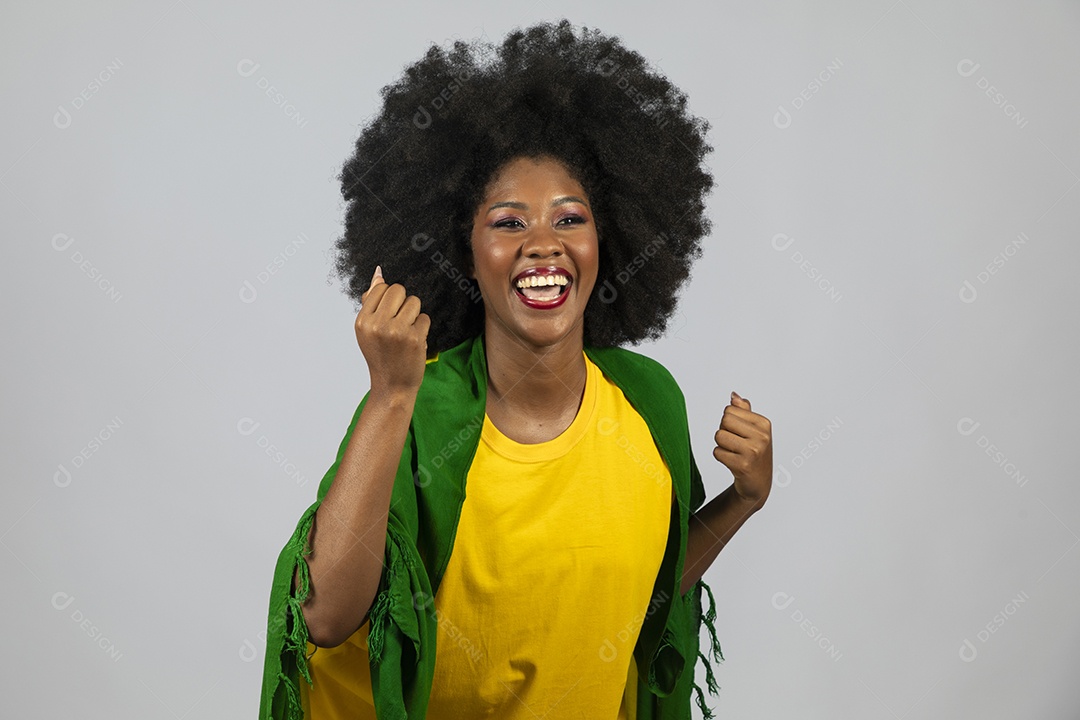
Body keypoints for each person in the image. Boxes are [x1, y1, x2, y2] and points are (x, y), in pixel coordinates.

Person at [258, 19, 773, 720]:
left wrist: (741, 499)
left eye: (569, 220)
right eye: (507, 223)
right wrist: (388, 397)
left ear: (608, 236)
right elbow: (324, 617)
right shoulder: (422, 408)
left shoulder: (649, 402)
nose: (542, 246)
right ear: (463, 251)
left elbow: (644, 594)